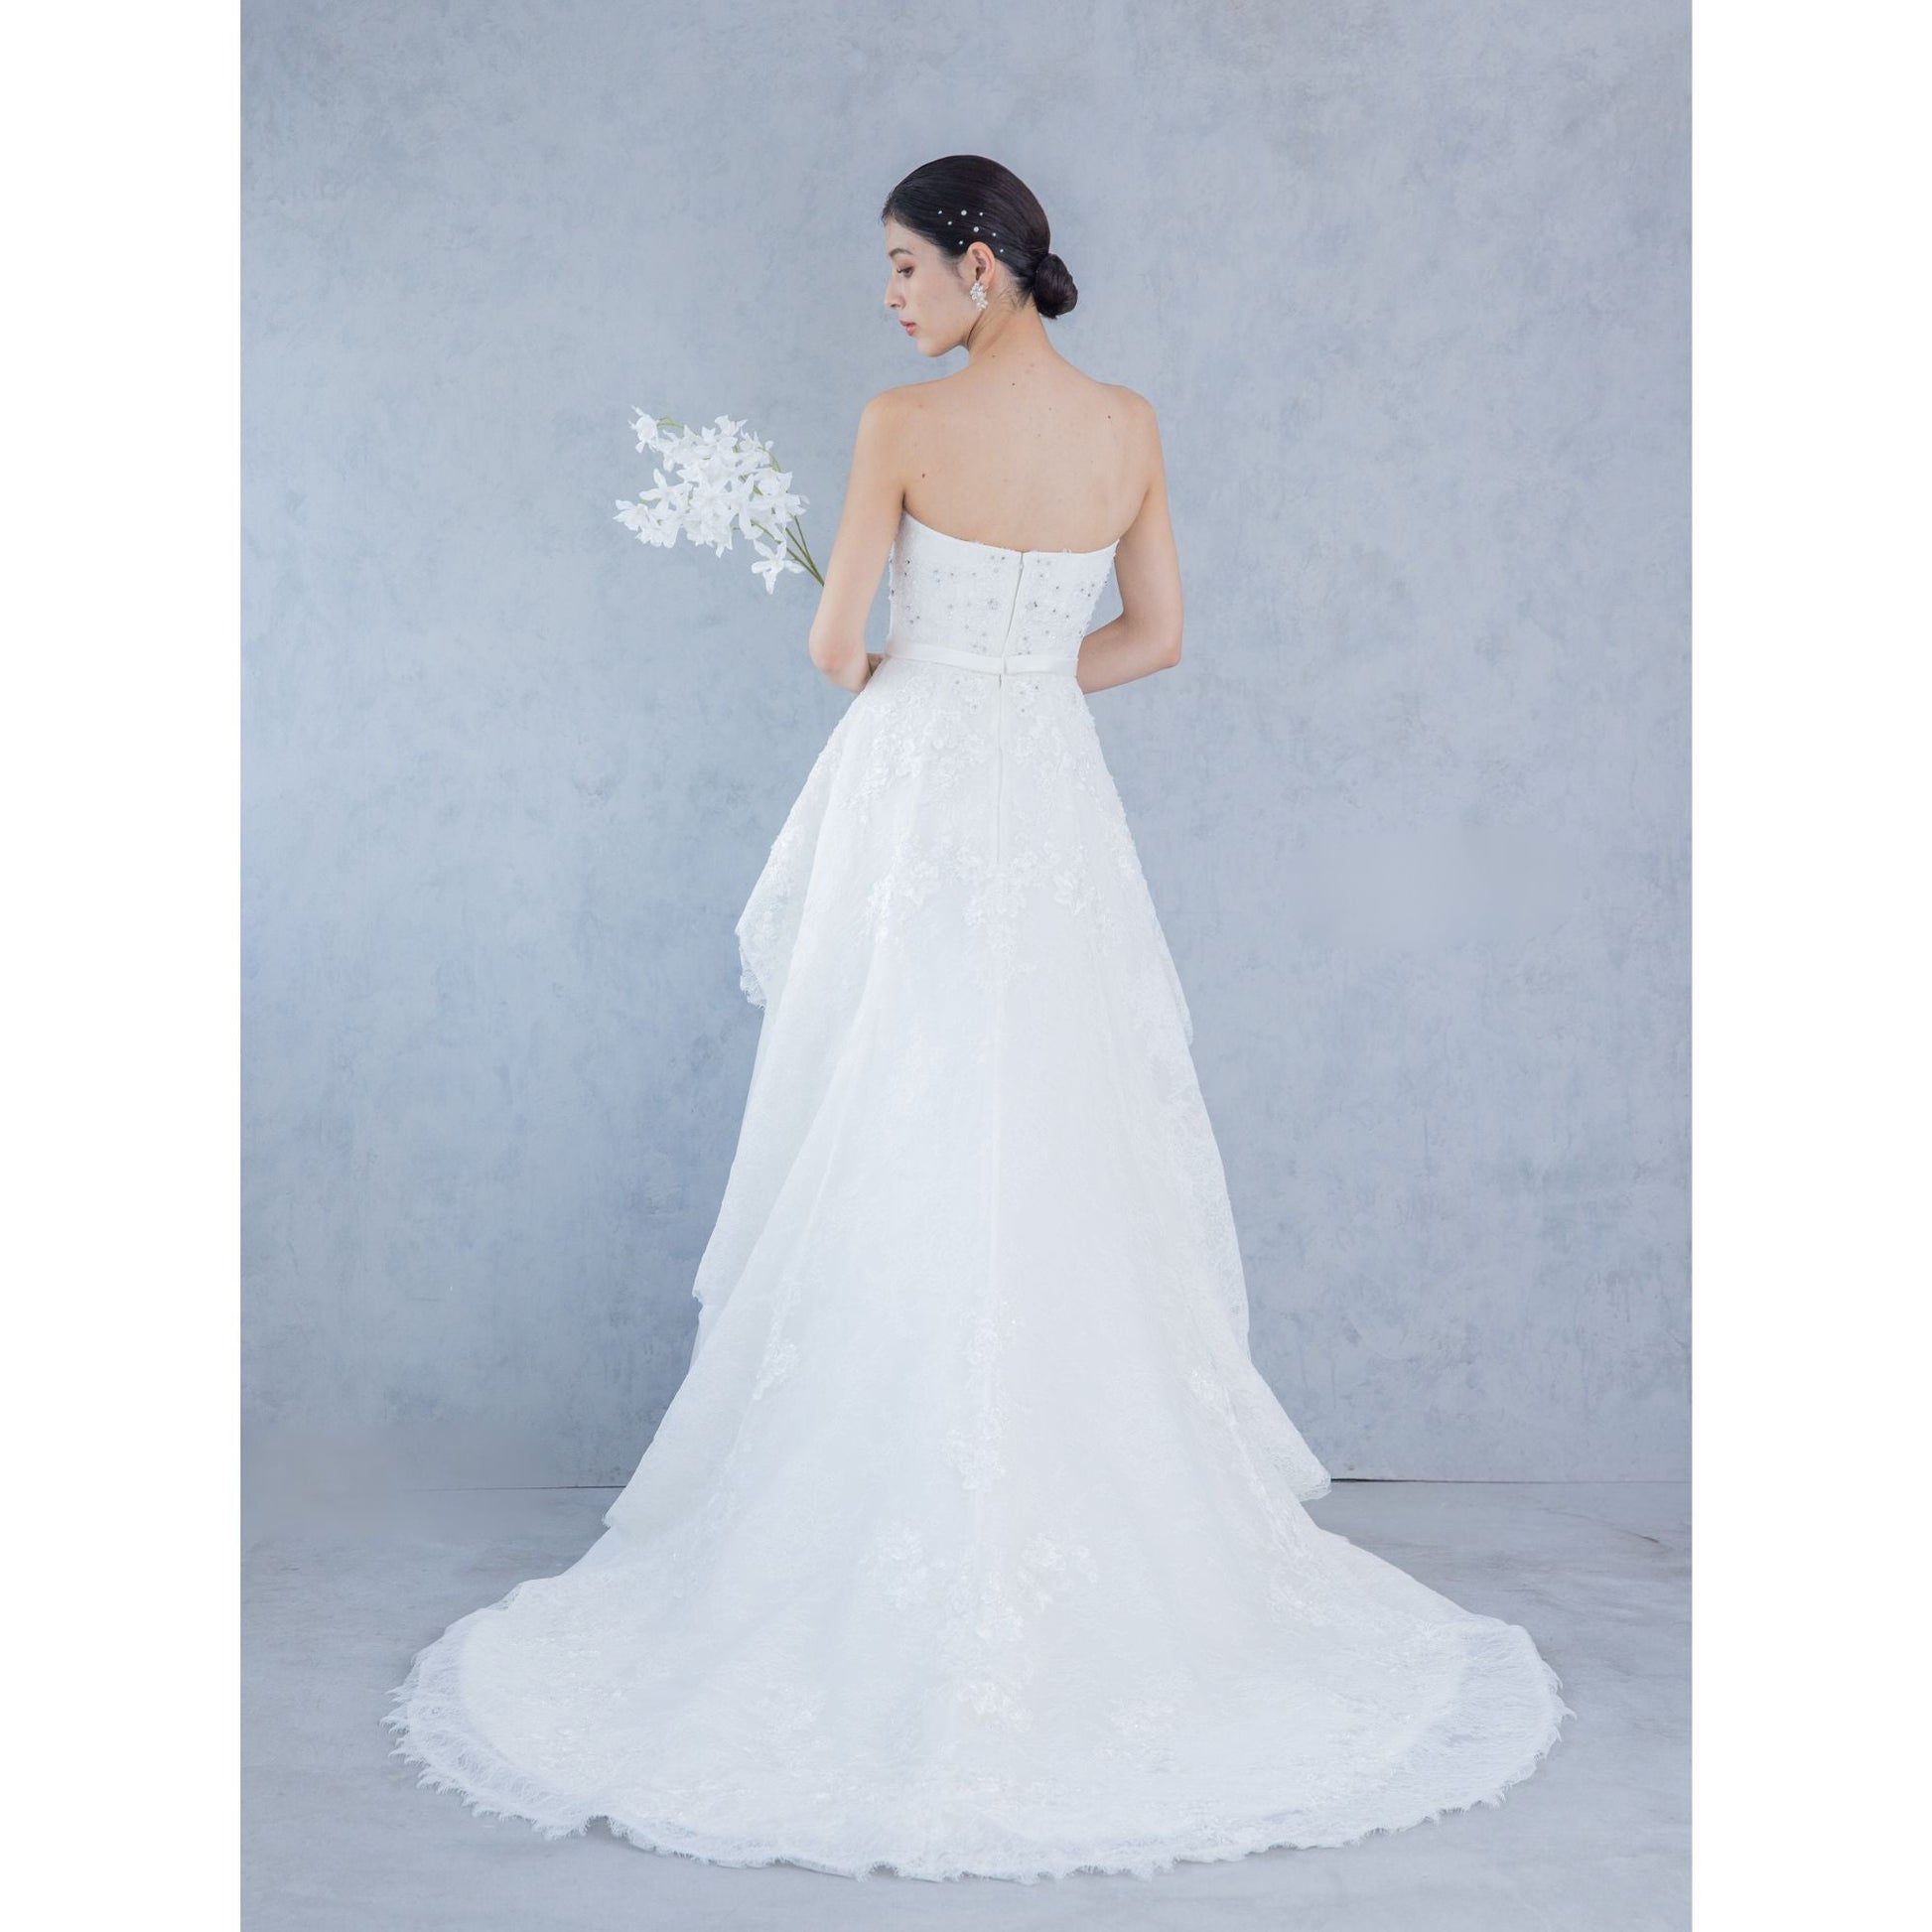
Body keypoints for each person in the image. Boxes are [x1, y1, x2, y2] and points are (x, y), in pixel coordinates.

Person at [385, 154, 1570, 1883]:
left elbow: (834, 649)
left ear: (980, 266)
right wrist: (1019, 681)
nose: (885, 299)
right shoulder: (1128, 424)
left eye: (899, 266)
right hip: (1052, 794)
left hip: (926, 789)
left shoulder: (900, 424)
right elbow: (1156, 636)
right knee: (1062, 1119)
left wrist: (927, 684)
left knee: (897, 1105)